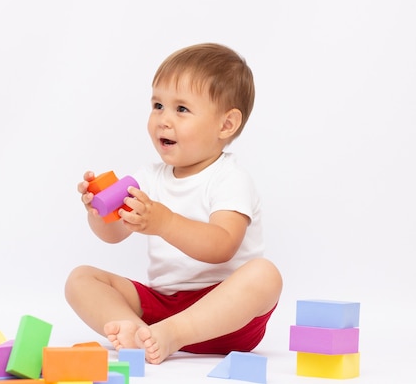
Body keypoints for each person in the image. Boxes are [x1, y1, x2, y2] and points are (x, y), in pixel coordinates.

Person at [65, 43, 283, 365]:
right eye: (157, 105)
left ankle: (172, 334)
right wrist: (99, 212)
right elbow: (113, 234)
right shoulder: (149, 177)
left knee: (266, 276)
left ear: (226, 125)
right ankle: (137, 332)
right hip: (163, 304)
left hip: (225, 314)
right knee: (80, 279)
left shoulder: (229, 178)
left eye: (181, 109)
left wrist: (164, 223)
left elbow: (222, 245)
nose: (163, 120)